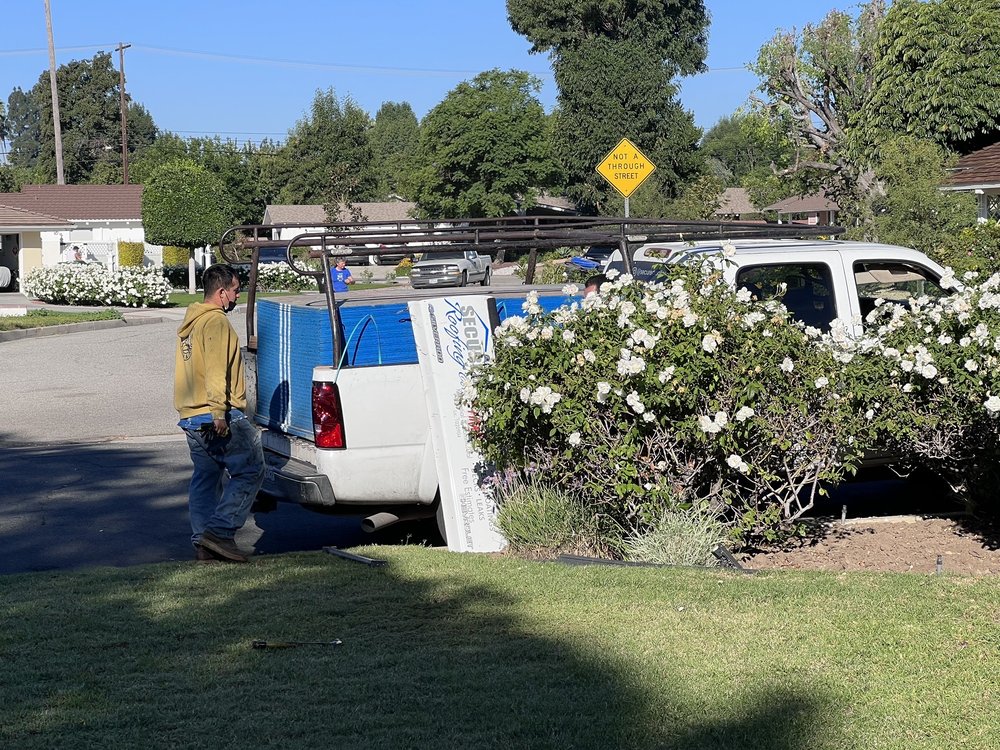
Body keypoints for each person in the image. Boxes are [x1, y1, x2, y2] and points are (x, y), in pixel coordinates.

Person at [174, 264, 264, 563]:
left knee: (206, 477)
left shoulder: (192, 321)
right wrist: (219, 413)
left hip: (190, 416)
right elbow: (215, 371)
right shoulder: (215, 323)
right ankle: (220, 533)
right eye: (236, 290)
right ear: (222, 292)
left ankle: (204, 544)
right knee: (250, 470)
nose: (237, 296)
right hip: (217, 414)